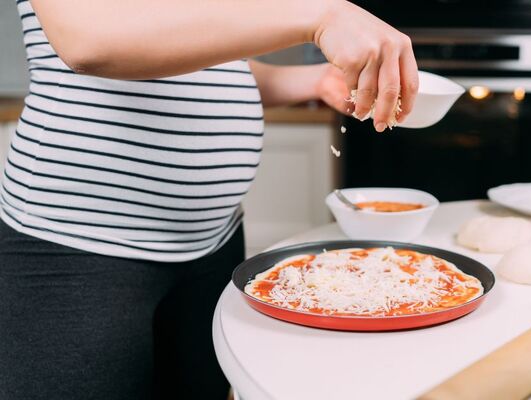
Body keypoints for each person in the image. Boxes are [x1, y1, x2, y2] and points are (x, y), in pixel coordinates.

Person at [0, 0, 418, 399]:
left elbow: (205, 64)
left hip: (212, 247)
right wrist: (321, 15)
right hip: (74, 249)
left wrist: (311, 81)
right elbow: (88, 38)